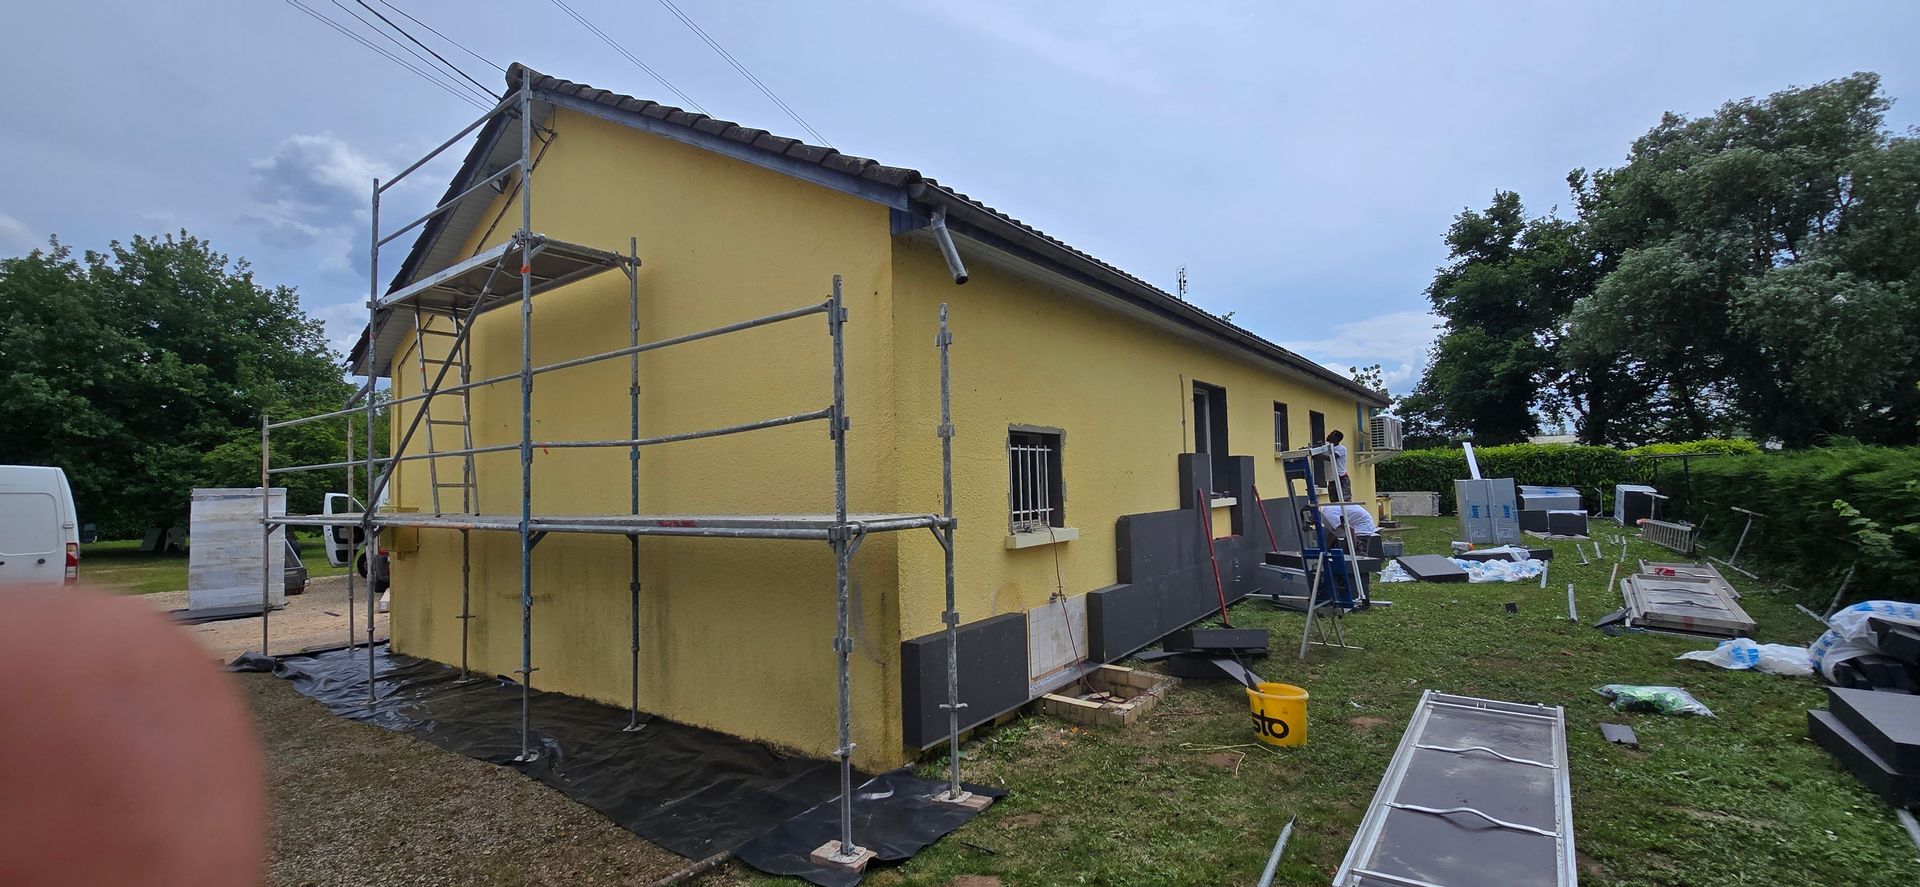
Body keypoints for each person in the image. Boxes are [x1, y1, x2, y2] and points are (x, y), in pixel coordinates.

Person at [1309, 430, 1351, 501]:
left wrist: (1318, 454)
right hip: (1331, 480)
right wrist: (1312, 451)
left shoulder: (1341, 448)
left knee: (1344, 501)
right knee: (1334, 502)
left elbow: (1332, 457)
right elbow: (1316, 455)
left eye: (1332, 434)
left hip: (1341, 478)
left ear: (1337, 438)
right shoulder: (1326, 447)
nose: (1329, 435)